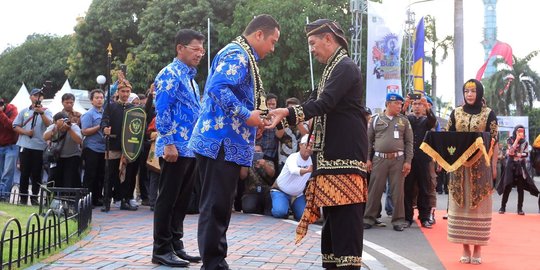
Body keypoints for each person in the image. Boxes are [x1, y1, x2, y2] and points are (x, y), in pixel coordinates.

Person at [268, 19, 368, 269]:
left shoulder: (345, 67)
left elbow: (323, 104)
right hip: (328, 158)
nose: (312, 50)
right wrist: (277, 116)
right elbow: (312, 102)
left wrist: (288, 113)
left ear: (328, 39)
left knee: (345, 228)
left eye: (313, 43)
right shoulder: (330, 71)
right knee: (332, 229)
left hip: (345, 156)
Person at [188, 14, 280, 270]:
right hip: (220, 142)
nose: (273, 49)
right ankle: (214, 264)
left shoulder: (242, 54)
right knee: (216, 206)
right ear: (259, 34)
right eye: (272, 41)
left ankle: (215, 261)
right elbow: (217, 88)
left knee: (219, 205)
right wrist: (245, 115)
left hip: (224, 142)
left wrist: (255, 119)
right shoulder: (238, 54)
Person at [151, 29, 205, 268]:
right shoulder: (169, 74)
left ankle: (176, 245)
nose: (200, 54)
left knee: (182, 200)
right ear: (180, 48)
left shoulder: (190, 78)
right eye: (195, 49)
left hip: (190, 148)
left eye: (202, 50)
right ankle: (161, 249)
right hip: (174, 147)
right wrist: (169, 142)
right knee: (168, 198)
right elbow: (162, 110)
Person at [445, 79, 498, 265]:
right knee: (461, 204)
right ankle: (465, 247)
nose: (469, 94)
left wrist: (493, 166)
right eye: (466, 91)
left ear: (479, 93)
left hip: (480, 168)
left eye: (473, 91)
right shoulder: (455, 113)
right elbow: (447, 137)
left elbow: (494, 141)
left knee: (478, 206)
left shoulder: (489, 114)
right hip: (459, 169)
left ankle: (477, 248)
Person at [363, 93, 413, 232]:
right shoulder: (375, 119)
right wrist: (367, 159)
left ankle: (398, 220)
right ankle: (368, 218)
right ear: (388, 104)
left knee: (398, 191)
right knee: (374, 190)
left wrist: (408, 161)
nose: (400, 106)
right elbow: (368, 141)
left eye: (401, 104)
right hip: (379, 159)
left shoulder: (404, 121)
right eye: (397, 103)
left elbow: (409, 143)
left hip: (398, 159)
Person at [100, 72, 138, 212]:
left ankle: (125, 199)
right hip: (114, 145)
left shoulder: (133, 109)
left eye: (128, 91)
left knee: (127, 175)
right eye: (123, 91)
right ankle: (107, 200)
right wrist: (105, 129)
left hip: (128, 146)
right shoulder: (111, 106)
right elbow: (103, 121)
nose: (126, 94)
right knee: (110, 174)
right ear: (118, 91)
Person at [402, 94, 436, 228]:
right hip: (409, 159)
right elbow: (398, 119)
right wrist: (404, 106)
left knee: (425, 189)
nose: (417, 106)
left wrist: (427, 106)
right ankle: (407, 218)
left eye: (420, 104)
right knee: (407, 189)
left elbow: (433, 121)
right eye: (415, 104)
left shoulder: (427, 120)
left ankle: (424, 217)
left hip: (423, 159)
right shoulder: (407, 119)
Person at [13, 88, 53, 205]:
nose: (37, 98)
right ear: (30, 97)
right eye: (35, 96)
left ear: (43, 98)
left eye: (40, 96)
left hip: (39, 147)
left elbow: (50, 125)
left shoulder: (47, 111)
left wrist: (41, 112)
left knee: (36, 173)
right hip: (25, 145)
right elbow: (15, 126)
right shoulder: (24, 111)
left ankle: (35, 197)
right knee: (24, 173)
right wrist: (26, 132)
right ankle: (23, 198)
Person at [496, 125, 539, 215]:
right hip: (510, 165)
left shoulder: (525, 142)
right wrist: (516, 140)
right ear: (516, 132)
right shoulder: (510, 140)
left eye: (522, 132)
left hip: (521, 166)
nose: (521, 133)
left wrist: (519, 154)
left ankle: (520, 208)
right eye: (519, 131)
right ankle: (503, 207)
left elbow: (526, 154)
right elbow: (510, 152)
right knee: (507, 185)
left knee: (520, 187)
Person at [271, 134, 312, 221]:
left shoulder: (313, 160)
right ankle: (279, 204)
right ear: (300, 145)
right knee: (280, 212)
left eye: (312, 146)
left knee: (303, 217)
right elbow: (294, 170)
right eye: (306, 145)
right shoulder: (293, 157)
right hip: (281, 191)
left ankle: (290, 207)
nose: (309, 148)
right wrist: (308, 170)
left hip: (297, 195)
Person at [43, 111, 83, 188]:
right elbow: (45, 137)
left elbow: (79, 140)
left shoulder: (74, 127)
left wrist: (69, 129)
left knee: (70, 180)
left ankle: (69, 198)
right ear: (55, 121)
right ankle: (54, 198)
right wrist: (57, 128)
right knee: (54, 179)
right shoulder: (53, 127)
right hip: (57, 157)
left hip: (72, 156)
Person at [81, 89, 106, 207]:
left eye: (101, 97)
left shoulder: (105, 113)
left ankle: (97, 198)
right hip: (92, 148)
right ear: (91, 100)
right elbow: (85, 131)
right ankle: (87, 200)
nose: (99, 100)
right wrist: (99, 126)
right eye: (97, 98)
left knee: (101, 175)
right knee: (90, 175)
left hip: (103, 148)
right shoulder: (88, 114)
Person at [240, 144, 275, 214]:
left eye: (258, 151)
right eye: (254, 151)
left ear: (262, 152)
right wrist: (246, 162)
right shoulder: (247, 163)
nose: (256, 153)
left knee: (269, 211)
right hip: (251, 192)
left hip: (266, 192)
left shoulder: (268, 162)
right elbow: (242, 176)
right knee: (248, 209)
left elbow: (272, 174)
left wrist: (265, 165)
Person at [0, 98, 18, 201]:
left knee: (8, 172)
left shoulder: (12, 109)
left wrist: (1, 114)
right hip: (0, 145)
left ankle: (4, 196)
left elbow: (12, 125)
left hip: (11, 146)